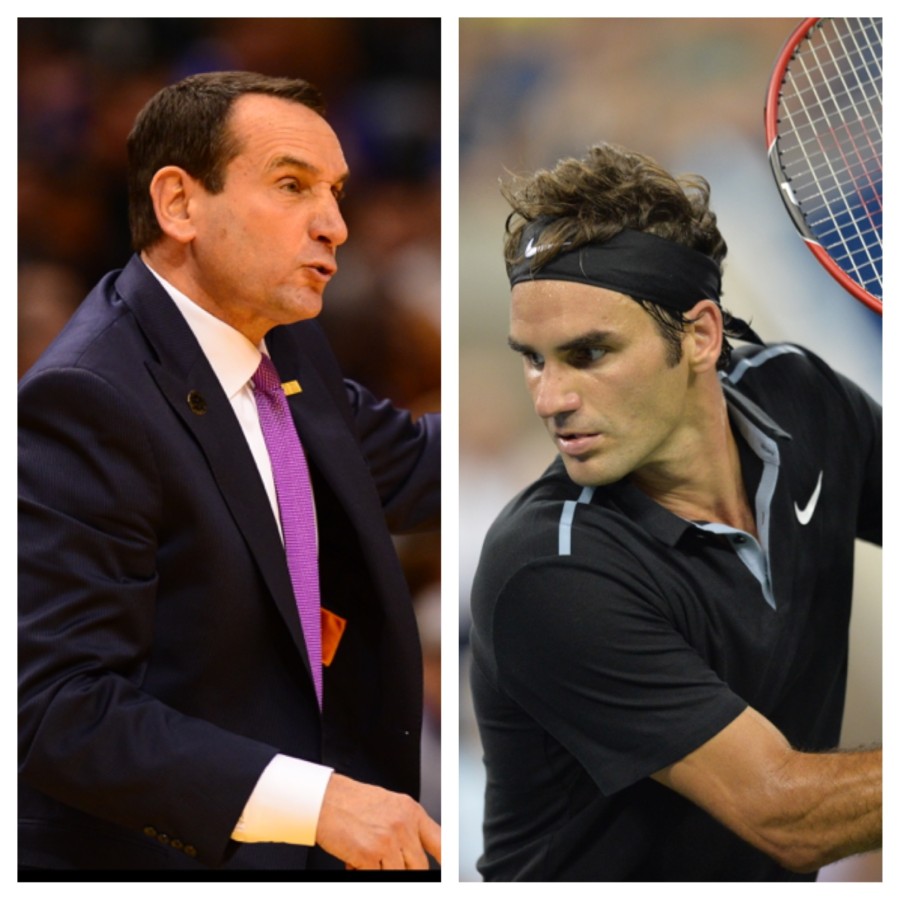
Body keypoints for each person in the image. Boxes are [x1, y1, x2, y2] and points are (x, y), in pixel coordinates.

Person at [18, 71, 441, 873]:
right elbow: (54, 710)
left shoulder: (283, 342)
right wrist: (316, 801)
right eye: (293, 185)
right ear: (179, 204)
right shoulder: (84, 400)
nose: (336, 225)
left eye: (338, 192)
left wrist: (588, 389)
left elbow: (411, 462)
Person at [468, 143, 881, 881]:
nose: (550, 399)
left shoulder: (799, 395)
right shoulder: (550, 568)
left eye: (588, 354)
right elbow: (784, 812)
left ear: (699, 336)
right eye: (533, 358)